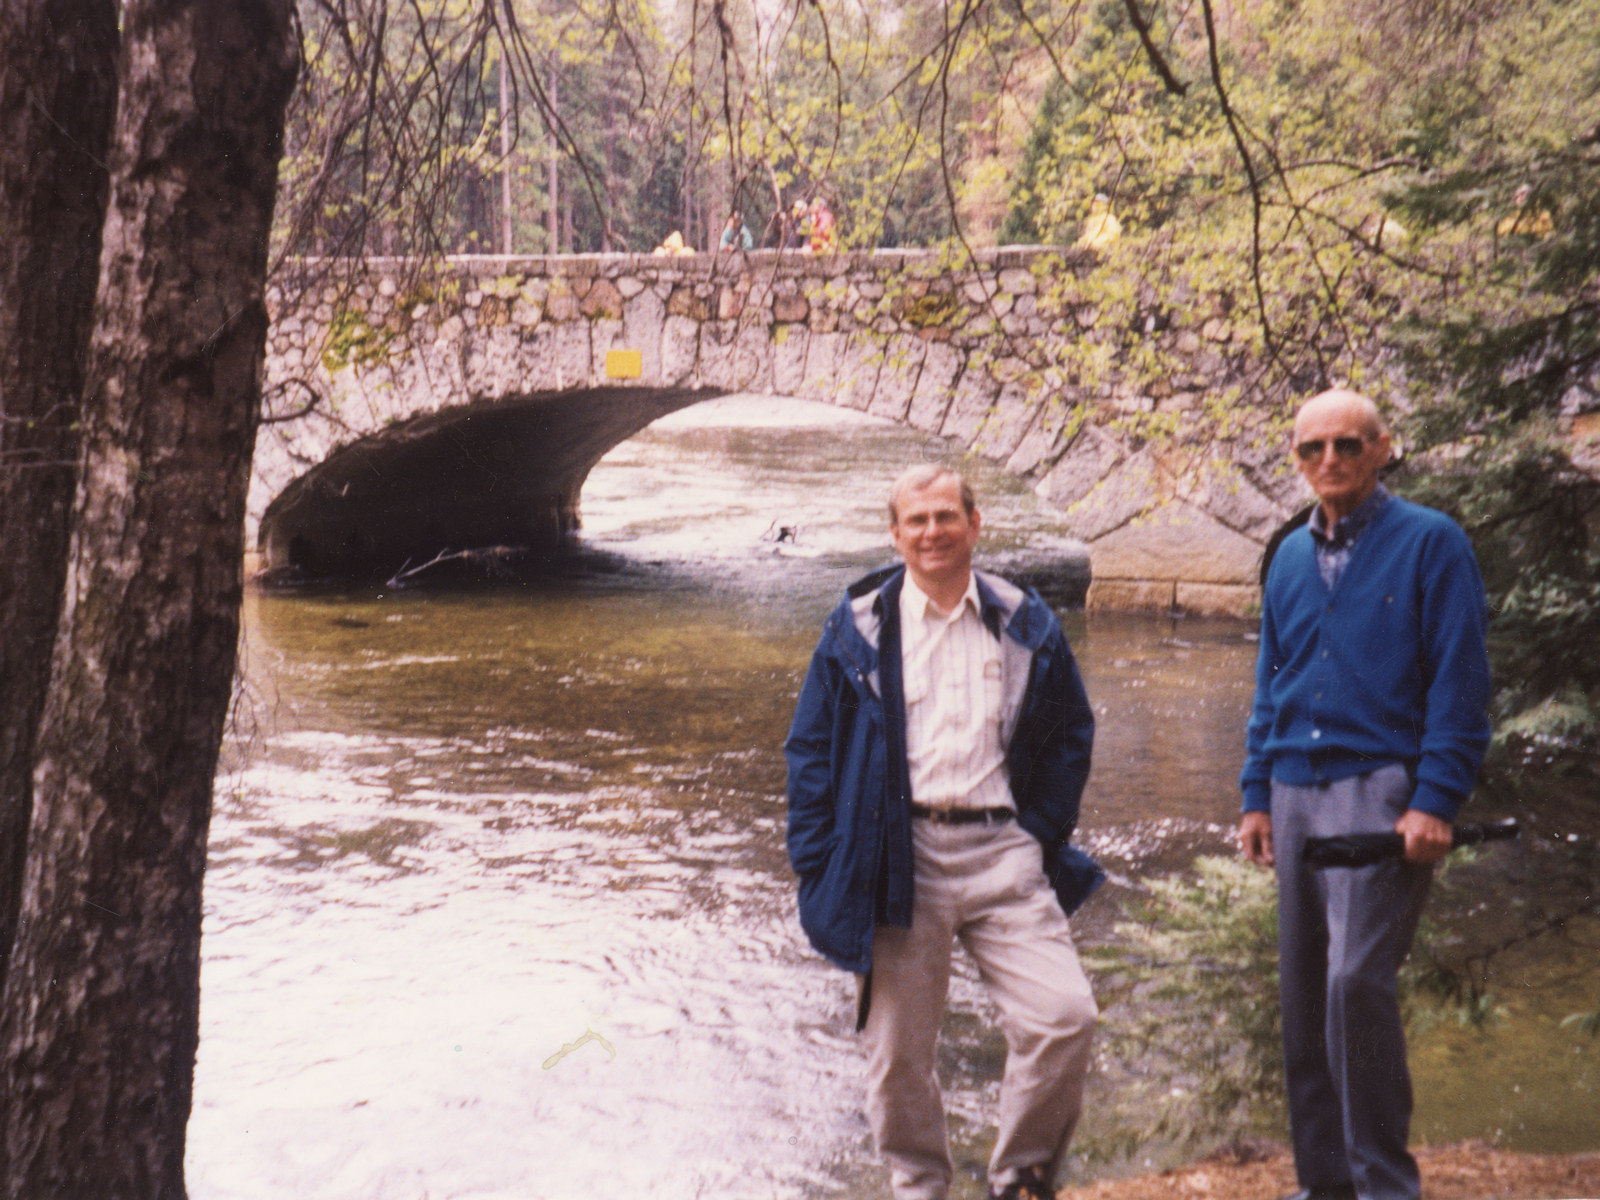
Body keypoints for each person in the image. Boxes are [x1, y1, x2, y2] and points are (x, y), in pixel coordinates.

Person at [785, 465, 1102, 1200]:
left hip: (1004, 857)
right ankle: (919, 1184)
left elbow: (1069, 734)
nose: (933, 533)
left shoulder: (1024, 620)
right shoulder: (858, 627)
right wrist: (815, 859)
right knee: (897, 1057)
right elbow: (809, 749)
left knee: (1064, 1017)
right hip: (898, 859)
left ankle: (1020, 1177)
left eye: (946, 518)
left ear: (975, 525)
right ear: (895, 535)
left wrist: (1041, 830)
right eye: (917, 521)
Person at [1238, 389, 1492, 1200]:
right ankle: (1324, 1186)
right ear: (1296, 458)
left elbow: (1461, 683)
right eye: (1312, 449)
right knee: (1306, 995)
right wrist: (1254, 795)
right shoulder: (1286, 556)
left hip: (1381, 790)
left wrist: (1436, 798)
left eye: (1347, 445)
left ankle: (1384, 1184)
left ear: (1384, 448)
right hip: (1293, 788)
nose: (1330, 462)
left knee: (1356, 984)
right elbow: (1270, 685)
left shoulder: (1431, 543)